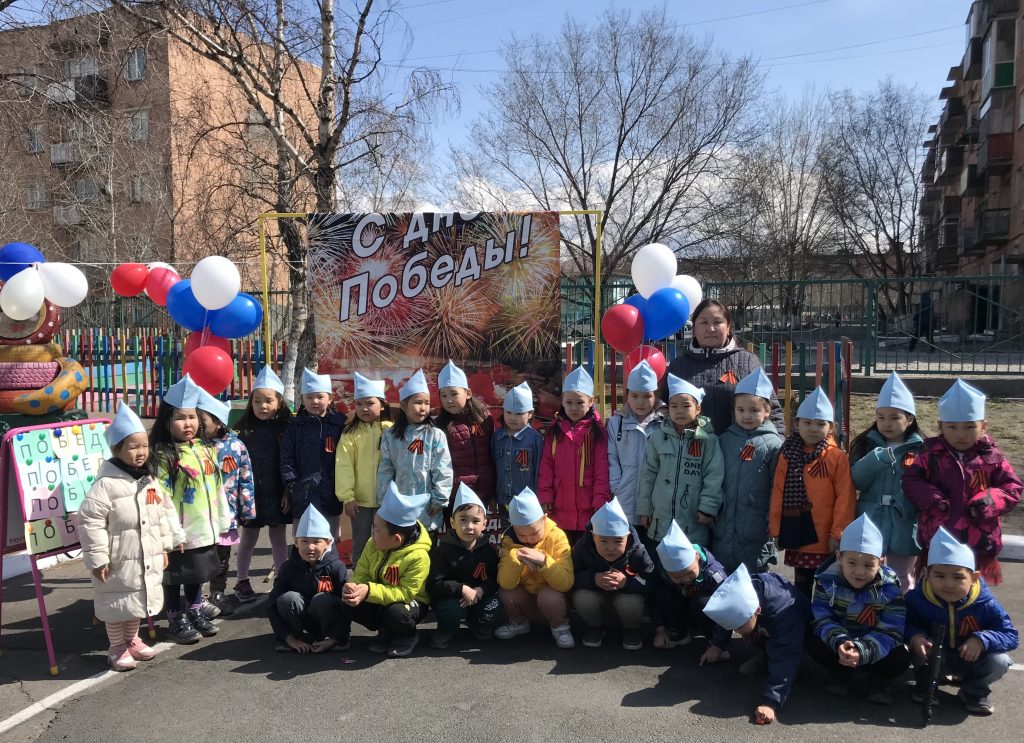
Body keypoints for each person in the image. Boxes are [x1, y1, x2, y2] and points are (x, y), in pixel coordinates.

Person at [78, 403, 186, 670]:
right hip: (117, 558)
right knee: (116, 603)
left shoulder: (148, 479)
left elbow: (163, 512)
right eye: (133, 447)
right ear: (116, 450)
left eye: (144, 446)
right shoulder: (106, 485)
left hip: (146, 554)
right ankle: (116, 647)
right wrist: (98, 559)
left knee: (138, 599)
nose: (141, 452)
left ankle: (132, 639)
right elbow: (90, 522)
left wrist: (167, 544)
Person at [903, 379, 1022, 585]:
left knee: (975, 591)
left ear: (983, 426)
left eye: (969, 427)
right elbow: (911, 480)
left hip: (979, 542)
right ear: (940, 426)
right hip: (938, 539)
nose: (960, 434)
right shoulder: (930, 455)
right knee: (936, 588)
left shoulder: (991, 457)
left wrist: (989, 502)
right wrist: (933, 499)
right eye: (952, 427)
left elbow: (1012, 487)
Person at [150, 374, 231, 644]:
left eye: (193, 417)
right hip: (180, 532)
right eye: (180, 418)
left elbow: (217, 488)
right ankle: (175, 618)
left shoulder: (206, 449)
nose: (188, 424)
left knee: (197, 573)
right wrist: (172, 532)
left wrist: (222, 519)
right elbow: (161, 497)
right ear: (167, 421)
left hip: (203, 527)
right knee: (175, 577)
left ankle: (195, 610)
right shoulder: (163, 455)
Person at [905, 527, 1017, 716]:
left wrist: (982, 640)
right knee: (916, 650)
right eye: (939, 575)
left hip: (972, 659)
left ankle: (973, 691)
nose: (948, 584)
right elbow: (902, 624)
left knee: (1000, 661)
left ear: (974, 578)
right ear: (926, 574)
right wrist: (915, 637)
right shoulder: (916, 598)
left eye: (958, 577)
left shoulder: (985, 603)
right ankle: (926, 685)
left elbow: (1010, 635)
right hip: (934, 657)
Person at [808, 514, 910, 704]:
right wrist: (841, 642)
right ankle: (841, 672)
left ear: (881, 562)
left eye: (868, 565)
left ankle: (878, 679)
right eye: (852, 563)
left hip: (874, 645)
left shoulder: (890, 589)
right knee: (814, 641)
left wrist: (863, 650)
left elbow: (891, 630)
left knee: (899, 658)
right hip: (841, 641)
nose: (859, 572)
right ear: (839, 557)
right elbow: (822, 619)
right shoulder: (827, 582)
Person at [769, 387, 856, 597]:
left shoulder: (837, 457)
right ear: (797, 424)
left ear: (831, 427)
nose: (813, 429)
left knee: (827, 592)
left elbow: (845, 498)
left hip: (826, 539)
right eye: (807, 423)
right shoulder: (788, 453)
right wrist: (776, 529)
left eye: (820, 424)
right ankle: (801, 618)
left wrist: (838, 533)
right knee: (801, 590)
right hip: (798, 536)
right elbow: (778, 492)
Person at [702, 564, 811, 725]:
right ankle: (766, 657)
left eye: (739, 627)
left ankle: (792, 667)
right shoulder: (742, 594)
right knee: (752, 633)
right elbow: (728, 618)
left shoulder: (783, 613)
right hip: (769, 624)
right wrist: (717, 644)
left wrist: (770, 703)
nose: (737, 632)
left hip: (802, 631)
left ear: (757, 610)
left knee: (784, 657)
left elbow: (786, 653)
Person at [338, 482, 433, 657]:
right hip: (380, 596)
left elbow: (406, 593)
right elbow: (361, 572)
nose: (372, 533)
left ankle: (407, 635)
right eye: (373, 527)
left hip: (410, 602)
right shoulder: (372, 543)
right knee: (348, 601)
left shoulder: (418, 557)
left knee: (396, 612)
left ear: (396, 539)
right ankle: (385, 630)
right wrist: (354, 586)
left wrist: (368, 590)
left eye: (377, 530)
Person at [849, 372, 924, 593]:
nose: (886, 424)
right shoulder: (866, 444)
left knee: (902, 576)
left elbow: (925, 484)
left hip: (904, 522)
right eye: (881, 417)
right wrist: (875, 459)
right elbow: (855, 480)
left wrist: (907, 503)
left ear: (910, 419)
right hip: (870, 518)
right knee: (868, 574)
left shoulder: (922, 449)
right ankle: (869, 611)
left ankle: (901, 611)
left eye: (894, 418)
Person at [663, 299, 784, 435]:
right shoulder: (678, 366)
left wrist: (777, 441)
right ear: (694, 328)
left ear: (728, 327)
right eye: (704, 323)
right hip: (691, 447)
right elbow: (663, 410)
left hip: (739, 447)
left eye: (717, 322)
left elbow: (772, 410)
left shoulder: (748, 361)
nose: (710, 329)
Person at [636, 374, 724, 547]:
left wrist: (707, 508)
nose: (680, 411)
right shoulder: (658, 438)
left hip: (693, 521)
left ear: (698, 409)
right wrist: (644, 509)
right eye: (674, 406)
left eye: (686, 406)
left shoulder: (708, 440)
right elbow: (648, 474)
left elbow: (714, 475)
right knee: (659, 559)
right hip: (661, 520)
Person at [714, 369, 782, 574]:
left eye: (754, 410)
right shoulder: (724, 440)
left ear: (767, 411)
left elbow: (777, 487)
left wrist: (773, 519)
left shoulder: (774, 446)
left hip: (756, 526)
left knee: (754, 578)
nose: (746, 416)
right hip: (724, 525)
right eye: (741, 410)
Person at [234, 365, 292, 601]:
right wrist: (241, 497)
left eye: (268, 401)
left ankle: (281, 578)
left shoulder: (286, 428)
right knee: (248, 539)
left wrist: (287, 491)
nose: (262, 406)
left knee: (278, 538)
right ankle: (241, 581)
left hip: (277, 492)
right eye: (257, 401)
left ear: (279, 402)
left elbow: (289, 461)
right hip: (251, 495)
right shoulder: (244, 430)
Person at [494, 487, 576, 649]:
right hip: (527, 601)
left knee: (549, 595)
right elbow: (505, 583)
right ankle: (518, 622)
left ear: (544, 519)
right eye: (522, 535)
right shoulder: (508, 540)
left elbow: (566, 583)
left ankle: (560, 627)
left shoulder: (557, 536)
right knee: (507, 592)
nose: (528, 539)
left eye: (533, 533)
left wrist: (544, 562)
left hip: (554, 603)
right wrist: (515, 559)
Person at [197, 390, 255, 615]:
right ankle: (198, 597)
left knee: (222, 557)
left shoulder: (236, 446)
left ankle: (217, 592)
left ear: (219, 422)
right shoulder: (195, 446)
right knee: (201, 556)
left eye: (202, 421)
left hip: (227, 514)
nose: (197, 425)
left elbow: (245, 479)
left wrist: (247, 510)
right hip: (200, 515)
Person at [572, 498, 656, 651]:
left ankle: (631, 628)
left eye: (618, 541)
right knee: (583, 597)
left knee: (631, 602)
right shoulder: (582, 547)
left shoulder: (638, 551)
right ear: (593, 536)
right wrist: (593, 578)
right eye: (603, 541)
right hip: (596, 595)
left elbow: (651, 582)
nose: (610, 548)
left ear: (627, 536)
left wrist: (627, 582)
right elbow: (571, 575)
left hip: (625, 598)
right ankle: (594, 627)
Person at [537, 366, 610, 543]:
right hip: (559, 508)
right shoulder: (554, 431)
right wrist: (545, 494)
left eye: (580, 403)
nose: (574, 408)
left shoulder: (596, 432)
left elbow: (601, 470)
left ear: (591, 401)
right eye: (569, 402)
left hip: (588, 509)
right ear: (562, 401)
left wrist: (600, 501)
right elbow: (546, 466)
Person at [377, 369, 453, 534]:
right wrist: (385, 501)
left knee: (425, 546)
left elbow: (443, 470)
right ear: (404, 405)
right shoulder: (390, 436)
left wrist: (438, 501)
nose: (423, 408)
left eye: (427, 403)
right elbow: (385, 470)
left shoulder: (435, 435)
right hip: (399, 507)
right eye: (418, 402)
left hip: (428, 508)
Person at [427, 483, 502, 648]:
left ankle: (477, 623)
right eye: (463, 520)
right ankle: (446, 630)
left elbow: (494, 578)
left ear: (484, 524)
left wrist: (481, 590)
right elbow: (434, 584)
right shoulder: (443, 551)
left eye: (475, 521)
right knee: (451, 609)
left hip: (478, 596)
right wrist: (461, 589)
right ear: (452, 522)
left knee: (496, 603)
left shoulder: (488, 550)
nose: (469, 526)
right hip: (451, 598)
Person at [267, 505, 349, 654]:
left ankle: (332, 638)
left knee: (322, 599)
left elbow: (346, 606)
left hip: (327, 623)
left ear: (328, 543)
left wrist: (336, 637)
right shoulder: (288, 567)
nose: (310, 547)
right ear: (296, 542)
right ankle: (297, 637)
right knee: (288, 598)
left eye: (317, 541)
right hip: (302, 621)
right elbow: (272, 604)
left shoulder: (336, 567)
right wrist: (287, 638)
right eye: (304, 541)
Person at [280, 368, 346, 543]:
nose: (314, 401)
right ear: (302, 399)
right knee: (302, 540)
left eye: (320, 397)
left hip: (331, 493)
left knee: (330, 540)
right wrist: (293, 485)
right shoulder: (295, 427)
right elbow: (287, 458)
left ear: (330, 398)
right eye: (309, 397)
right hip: (302, 493)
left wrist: (339, 485)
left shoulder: (339, 425)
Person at [336, 372, 393, 566]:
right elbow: (344, 465)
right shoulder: (350, 434)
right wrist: (348, 497)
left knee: (386, 542)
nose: (364, 408)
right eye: (359, 404)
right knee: (360, 542)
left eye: (369, 403)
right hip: (360, 502)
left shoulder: (391, 430)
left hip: (387, 500)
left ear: (382, 405)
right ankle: (359, 579)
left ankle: (383, 578)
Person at [651, 522, 731, 653]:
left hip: (700, 611)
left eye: (689, 572)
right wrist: (659, 629)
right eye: (677, 577)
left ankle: (713, 641)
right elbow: (652, 596)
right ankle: (678, 634)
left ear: (697, 556)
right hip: (681, 607)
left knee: (702, 602)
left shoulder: (715, 573)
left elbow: (728, 608)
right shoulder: (661, 570)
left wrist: (719, 644)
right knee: (663, 594)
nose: (685, 579)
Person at [607, 360, 664, 527]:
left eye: (647, 396)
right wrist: (616, 486)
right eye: (635, 396)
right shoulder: (616, 423)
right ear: (627, 396)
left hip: (655, 497)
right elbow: (611, 457)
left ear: (655, 396)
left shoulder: (664, 424)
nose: (640, 402)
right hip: (624, 496)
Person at [435, 360, 496, 515]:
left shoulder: (484, 419)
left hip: (485, 491)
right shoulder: (439, 426)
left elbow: (493, 453)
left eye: (454, 394)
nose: (449, 400)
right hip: (456, 495)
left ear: (468, 393)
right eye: (444, 395)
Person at [491, 381, 543, 520]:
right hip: (503, 501)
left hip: (528, 503)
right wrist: (493, 495)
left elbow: (539, 472)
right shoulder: (497, 437)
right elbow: (493, 468)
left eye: (519, 413)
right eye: (508, 412)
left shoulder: (535, 439)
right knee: (506, 533)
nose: (513, 418)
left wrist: (541, 498)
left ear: (530, 413)